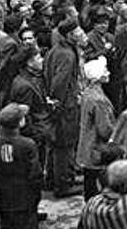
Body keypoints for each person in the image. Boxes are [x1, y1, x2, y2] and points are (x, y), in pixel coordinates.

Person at [44, 18, 87, 198]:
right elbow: (59, 83)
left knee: (57, 145)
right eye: (78, 32)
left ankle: (56, 178)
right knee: (64, 145)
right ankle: (63, 184)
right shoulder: (67, 55)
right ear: (69, 35)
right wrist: (58, 105)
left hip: (61, 104)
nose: (81, 34)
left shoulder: (57, 50)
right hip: (65, 106)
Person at [0, 103, 42, 229]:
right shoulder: (28, 145)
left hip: (4, 198)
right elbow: (35, 175)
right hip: (25, 198)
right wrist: (36, 196)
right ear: (20, 122)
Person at [78, 56, 117, 201]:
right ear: (98, 76)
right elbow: (105, 130)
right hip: (97, 149)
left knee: (89, 185)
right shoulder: (99, 100)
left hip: (87, 146)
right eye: (105, 70)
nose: (108, 73)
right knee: (96, 190)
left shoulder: (88, 93)